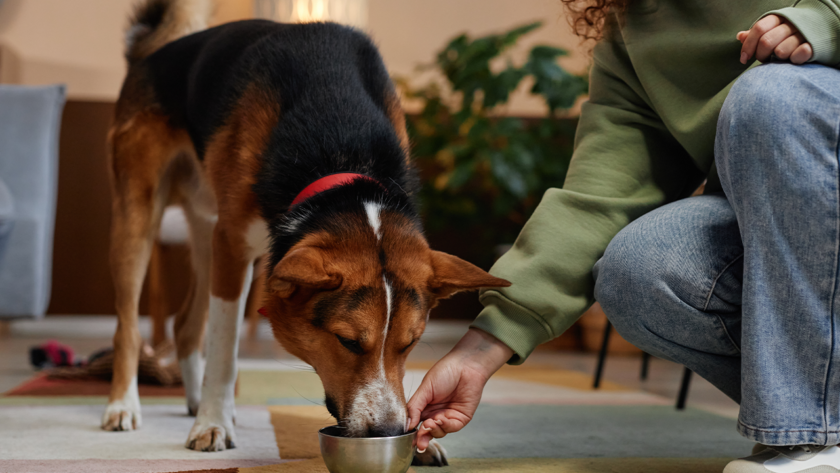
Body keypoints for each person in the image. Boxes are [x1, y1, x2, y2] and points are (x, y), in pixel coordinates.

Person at [406, 1, 840, 471]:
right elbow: (599, 196)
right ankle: (819, 424)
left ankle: (812, 434)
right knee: (639, 271)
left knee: (774, 98)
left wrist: (827, 22)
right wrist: (478, 353)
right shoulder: (635, 27)